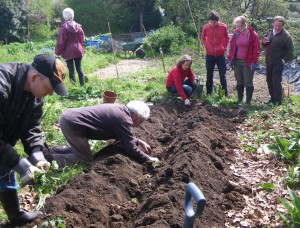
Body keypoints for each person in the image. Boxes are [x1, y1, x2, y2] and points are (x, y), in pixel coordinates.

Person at [0, 54, 68, 226]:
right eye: (50, 87)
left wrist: (36, 153)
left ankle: (15, 216)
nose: (51, 93)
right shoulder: (2, 86)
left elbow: (32, 126)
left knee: (5, 169)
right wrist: (19, 163)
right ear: (35, 77)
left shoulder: (35, 94)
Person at [43, 101, 159, 166]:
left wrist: (139, 141)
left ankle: (49, 151)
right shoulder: (124, 119)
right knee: (85, 159)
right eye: (140, 121)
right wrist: (148, 159)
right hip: (74, 126)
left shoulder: (121, 110)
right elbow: (130, 146)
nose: (139, 125)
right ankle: (49, 159)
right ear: (134, 115)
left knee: (77, 150)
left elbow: (124, 135)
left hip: (69, 118)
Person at [228, 14, 260, 105]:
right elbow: (232, 47)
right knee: (239, 80)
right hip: (237, 61)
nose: (238, 28)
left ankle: (248, 101)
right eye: (237, 26)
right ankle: (239, 99)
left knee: (248, 81)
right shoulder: (236, 33)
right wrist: (231, 59)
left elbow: (256, 49)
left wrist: (254, 61)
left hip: (248, 62)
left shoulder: (252, 34)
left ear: (245, 24)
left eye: (240, 26)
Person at [262, 16, 294, 105]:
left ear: (282, 25)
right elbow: (264, 44)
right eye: (276, 25)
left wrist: (284, 60)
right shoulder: (269, 32)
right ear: (273, 24)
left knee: (276, 81)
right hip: (269, 61)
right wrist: (264, 42)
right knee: (269, 80)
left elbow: (290, 51)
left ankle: (278, 100)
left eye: (279, 26)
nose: (277, 27)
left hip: (278, 62)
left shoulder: (286, 36)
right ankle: (272, 99)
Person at [201, 10, 229, 96]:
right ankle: (209, 93)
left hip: (220, 55)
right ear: (209, 21)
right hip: (209, 55)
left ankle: (225, 95)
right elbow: (203, 38)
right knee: (209, 75)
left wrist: (223, 47)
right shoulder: (206, 27)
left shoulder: (223, 27)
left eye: (215, 22)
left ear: (218, 20)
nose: (213, 24)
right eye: (211, 22)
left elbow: (227, 38)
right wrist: (207, 46)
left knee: (222, 76)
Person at [55, 7, 85, 86]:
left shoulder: (63, 28)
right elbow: (82, 39)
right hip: (78, 50)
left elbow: (61, 42)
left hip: (68, 52)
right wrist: (81, 48)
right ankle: (83, 86)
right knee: (79, 68)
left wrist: (58, 52)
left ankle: (74, 87)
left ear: (64, 17)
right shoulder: (79, 27)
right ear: (73, 16)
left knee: (71, 70)